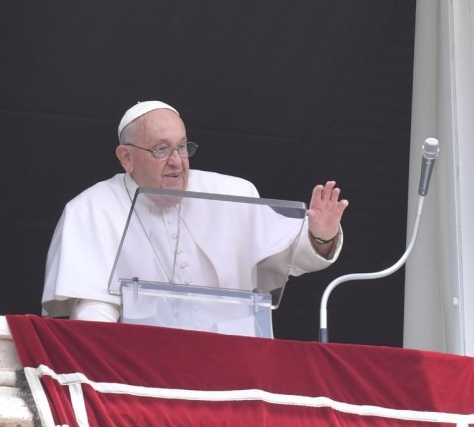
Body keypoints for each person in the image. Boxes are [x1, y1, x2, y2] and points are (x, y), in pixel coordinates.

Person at [42, 101, 349, 326]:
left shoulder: (232, 193)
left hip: (231, 355)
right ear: (127, 158)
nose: (177, 161)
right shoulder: (92, 208)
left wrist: (319, 236)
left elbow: (286, 258)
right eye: (161, 149)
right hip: (140, 362)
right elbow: (93, 308)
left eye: (182, 147)